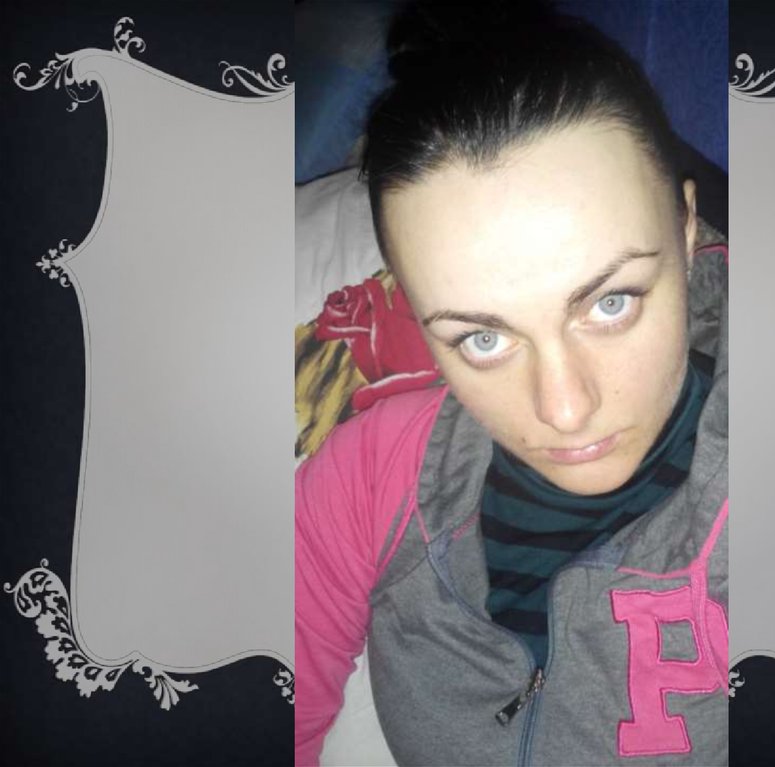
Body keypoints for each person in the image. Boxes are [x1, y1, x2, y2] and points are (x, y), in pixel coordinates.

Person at [295, 2, 728, 764]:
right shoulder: (371, 482)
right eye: (483, 338)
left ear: (687, 228)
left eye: (611, 302)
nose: (564, 408)